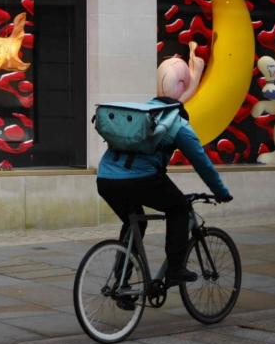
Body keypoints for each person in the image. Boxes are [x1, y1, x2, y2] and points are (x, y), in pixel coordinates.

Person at [97, 62, 232, 285]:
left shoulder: (143, 112)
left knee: (135, 223)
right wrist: (221, 191)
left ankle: (121, 284)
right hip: (141, 179)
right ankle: (176, 270)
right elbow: (202, 163)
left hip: (106, 179)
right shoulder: (177, 123)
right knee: (179, 208)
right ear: (181, 87)